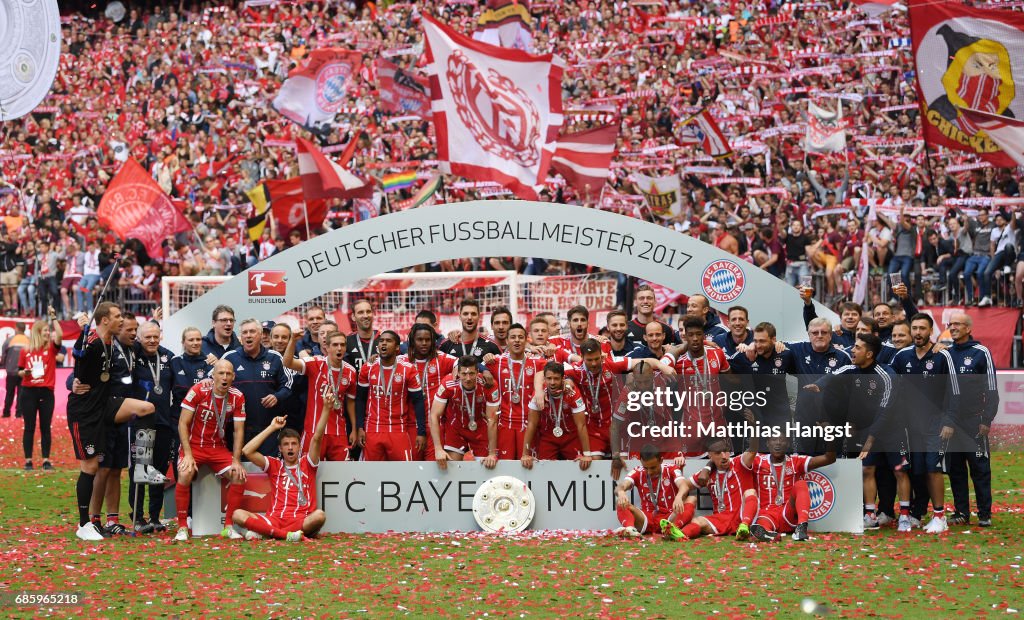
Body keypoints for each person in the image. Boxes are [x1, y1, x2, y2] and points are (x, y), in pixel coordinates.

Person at [67, 302, 159, 541]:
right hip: (86, 412)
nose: (122, 321)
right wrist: (83, 332)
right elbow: (78, 356)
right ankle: (85, 523)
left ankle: (144, 464)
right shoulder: (94, 341)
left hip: (106, 405)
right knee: (91, 467)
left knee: (147, 408)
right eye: (118, 317)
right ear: (105, 320)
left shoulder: (110, 342)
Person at [812, 333, 896, 529]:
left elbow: (886, 411)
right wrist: (818, 385)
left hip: (878, 430)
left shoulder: (885, 376)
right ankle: (854, 511)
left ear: (869, 354)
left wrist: (870, 439)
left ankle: (872, 514)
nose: (852, 350)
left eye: (857, 347)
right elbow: (832, 375)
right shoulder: (851, 369)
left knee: (870, 469)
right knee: (854, 469)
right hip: (854, 430)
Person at [891, 313, 957, 534]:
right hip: (910, 426)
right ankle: (918, 514)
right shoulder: (901, 357)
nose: (918, 332)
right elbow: (891, 386)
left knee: (932, 469)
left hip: (936, 424)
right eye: (915, 328)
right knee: (917, 471)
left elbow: (954, 391)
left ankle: (940, 516)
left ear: (931, 332)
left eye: (922, 328)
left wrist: (949, 421)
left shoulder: (943, 356)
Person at [233, 403, 331, 541]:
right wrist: (272, 427)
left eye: (294, 444)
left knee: (319, 516)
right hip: (274, 519)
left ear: (299, 447)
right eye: (286, 444)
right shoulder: (275, 465)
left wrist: (326, 408)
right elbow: (247, 451)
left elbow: (317, 438)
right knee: (237, 514)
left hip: (300, 520)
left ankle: (266, 532)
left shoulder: (307, 463)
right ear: (280, 449)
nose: (290, 448)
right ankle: (285, 535)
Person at [174, 359, 248, 541]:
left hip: (217, 448)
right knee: (185, 472)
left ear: (233, 377)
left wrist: (236, 460)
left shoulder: (237, 396)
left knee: (238, 475)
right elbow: (183, 423)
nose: (224, 377)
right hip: (193, 446)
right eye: (221, 373)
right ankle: (182, 526)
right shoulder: (199, 390)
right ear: (213, 375)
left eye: (228, 374)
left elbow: (239, 431)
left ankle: (229, 526)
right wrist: (188, 455)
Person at [563, 339, 674, 459]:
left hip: (619, 424)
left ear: (602, 355)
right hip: (594, 427)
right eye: (589, 360)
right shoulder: (574, 369)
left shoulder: (612, 363)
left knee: (623, 463)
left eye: (597, 359)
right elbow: (547, 374)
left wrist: (661, 366)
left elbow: (644, 361)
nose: (594, 363)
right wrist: (567, 382)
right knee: (594, 463)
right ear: (581, 357)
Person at [942, 311, 998, 527]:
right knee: (955, 470)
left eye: (957, 324)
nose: (953, 327)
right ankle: (961, 513)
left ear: (968, 328)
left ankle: (984, 514)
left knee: (980, 469)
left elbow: (992, 388)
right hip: (951, 423)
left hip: (975, 422)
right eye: (951, 324)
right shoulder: (945, 353)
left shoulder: (981, 352)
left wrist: (987, 419)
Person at [127, 321, 175, 533]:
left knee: (158, 471)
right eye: (148, 337)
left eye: (156, 336)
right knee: (140, 471)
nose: (153, 340)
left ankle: (155, 517)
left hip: (164, 423)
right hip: (141, 425)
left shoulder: (168, 357)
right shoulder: (134, 356)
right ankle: (137, 517)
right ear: (139, 338)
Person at [662, 437, 759, 541]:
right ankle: (678, 534)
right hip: (720, 518)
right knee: (697, 521)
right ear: (710, 456)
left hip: (742, 516)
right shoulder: (706, 474)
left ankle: (744, 527)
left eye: (726, 451)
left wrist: (753, 425)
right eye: (718, 453)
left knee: (750, 492)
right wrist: (679, 496)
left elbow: (753, 449)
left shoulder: (740, 463)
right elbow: (684, 485)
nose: (724, 456)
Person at [283, 328, 356, 461]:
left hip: (338, 432)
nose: (339, 348)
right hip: (313, 430)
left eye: (342, 345)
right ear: (327, 347)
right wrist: (293, 340)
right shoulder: (315, 363)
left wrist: (355, 428)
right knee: (307, 471)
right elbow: (287, 363)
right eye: (335, 345)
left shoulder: (351, 372)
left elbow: (351, 402)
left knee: (343, 473)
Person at [222, 318, 293, 456]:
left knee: (268, 471)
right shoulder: (229, 358)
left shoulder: (275, 357)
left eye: (252, 332)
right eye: (245, 332)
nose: (248, 335)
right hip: (237, 430)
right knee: (240, 472)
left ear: (261, 335)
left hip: (269, 430)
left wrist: (277, 396)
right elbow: (213, 382)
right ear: (240, 337)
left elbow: (288, 385)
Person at [747, 436, 837, 542]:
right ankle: (770, 535)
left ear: (788, 444)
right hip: (767, 514)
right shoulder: (757, 460)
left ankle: (801, 528)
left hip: (788, 513)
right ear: (767, 443)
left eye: (782, 440)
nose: (778, 443)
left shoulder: (795, 461)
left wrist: (829, 435)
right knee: (761, 525)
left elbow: (829, 458)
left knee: (801, 484)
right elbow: (737, 462)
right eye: (774, 440)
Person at [355, 330, 425, 461]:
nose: (383, 344)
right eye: (381, 341)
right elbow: (360, 399)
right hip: (372, 429)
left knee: (404, 474)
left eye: (388, 341)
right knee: (371, 475)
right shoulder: (368, 368)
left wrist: (421, 432)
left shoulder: (408, 369)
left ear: (397, 347)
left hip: (398, 429)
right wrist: (359, 427)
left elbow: (418, 401)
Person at [486, 323, 546, 460]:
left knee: (529, 469)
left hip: (529, 426)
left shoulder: (538, 363)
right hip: (504, 426)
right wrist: (483, 368)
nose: (517, 340)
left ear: (527, 340)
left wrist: (539, 389)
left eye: (520, 337)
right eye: (513, 337)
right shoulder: (496, 362)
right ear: (507, 341)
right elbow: (473, 367)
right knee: (506, 471)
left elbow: (558, 372)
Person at [399, 324, 458, 461]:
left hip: (436, 425)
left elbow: (460, 362)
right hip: (411, 425)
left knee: (435, 470)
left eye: (428, 339)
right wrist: (373, 358)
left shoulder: (441, 358)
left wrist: (457, 369)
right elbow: (382, 363)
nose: (424, 343)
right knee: (413, 469)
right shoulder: (402, 361)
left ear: (433, 341)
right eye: (420, 339)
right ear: (412, 341)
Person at [430, 356, 499, 469]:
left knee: (485, 469)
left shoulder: (489, 385)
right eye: (464, 374)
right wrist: (438, 449)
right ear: (458, 373)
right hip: (456, 428)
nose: (468, 378)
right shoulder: (448, 383)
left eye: (471, 373)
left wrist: (492, 453)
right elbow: (434, 415)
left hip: (480, 429)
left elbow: (492, 421)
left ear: (477, 372)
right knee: (452, 468)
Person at [521, 361, 592, 470]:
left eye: (556, 378)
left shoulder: (572, 393)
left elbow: (581, 425)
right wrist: (525, 454)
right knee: (543, 470)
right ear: (544, 379)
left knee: (578, 469)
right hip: (548, 438)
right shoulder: (539, 394)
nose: (552, 382)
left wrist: (587, 455)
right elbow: (532, 423)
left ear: (563, 378)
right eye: (549, 378)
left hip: (571, 437)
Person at [613, 445, 691, 538]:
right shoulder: (637, 471)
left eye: (653, 468)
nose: (649, 472)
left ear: (661, 460)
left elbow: (684, 485)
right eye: (646, 468)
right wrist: (621, 492)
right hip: (646, 518)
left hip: (669, 517)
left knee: (691, 499)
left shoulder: (671, 469)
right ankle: (630, 530)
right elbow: (620, 486)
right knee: (620, 502)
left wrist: (679, 497)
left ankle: (672, 530)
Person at [17, 316, 63, 470]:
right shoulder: (26, 351)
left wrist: (54, 318)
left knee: (45, 427)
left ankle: (45, 460)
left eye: (48, 330)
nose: (48, 333)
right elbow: (19, 372)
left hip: (46, 392)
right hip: (28, 392)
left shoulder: (51, 348)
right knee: (29, 426)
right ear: (37, 332)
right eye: (45, 330)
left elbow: (60, 335)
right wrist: (25, 372)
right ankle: (28, 460)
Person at [439, 298, 501, 364]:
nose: (469, 317)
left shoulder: (491, 346)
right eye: (465, 314)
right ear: (460, 316)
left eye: (473, 314)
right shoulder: (446, 345)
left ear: (479, 317)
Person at [2, 321, 29, 418]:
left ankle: (6, 412)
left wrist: (5, 365)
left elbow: (4, 353)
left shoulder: (9, 340)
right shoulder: (28, 340)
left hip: (11, 371)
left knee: (9, 393)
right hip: (24, 372)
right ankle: (19, 413)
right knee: (21, 394)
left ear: (16, 328)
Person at [345, 299, 379, 374]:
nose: (366, 316)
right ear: (353, 317)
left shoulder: (383, 340)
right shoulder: (346, 342)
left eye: (368, 311)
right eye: (361, 312)